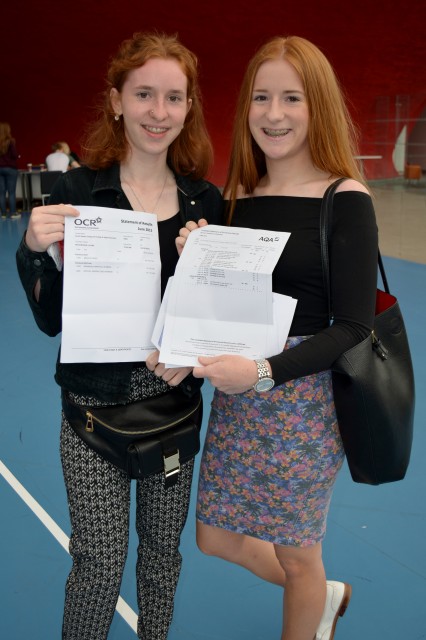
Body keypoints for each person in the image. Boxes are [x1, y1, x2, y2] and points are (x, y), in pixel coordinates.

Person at [16, 31, 222, 640]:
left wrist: (195, 343)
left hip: (174, 413)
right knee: (98, 564)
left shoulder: (204, 203)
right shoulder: (79, 194)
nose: (159, 112)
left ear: (189, 108)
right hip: (92, 417)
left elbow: (217, 323)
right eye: (144, 94)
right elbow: (52, 318)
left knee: (162, 560)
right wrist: (33, 251)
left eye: (174, 98)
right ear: (116, 101)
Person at [178, 36, 378, 640]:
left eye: (291, 98)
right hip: (241, 395)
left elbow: (353, 326)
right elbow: (233, 302)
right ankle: (323, 595)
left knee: (297, 555)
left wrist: (263, 373)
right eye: (261, 98)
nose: (273, 113)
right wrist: (200, 256)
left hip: (305, 402)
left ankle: (310, 598)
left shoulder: (345, 199)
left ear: (317, 107)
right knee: (214, 536)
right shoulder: (239, 199)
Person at [0, 122, 20, 219]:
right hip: (10, 169)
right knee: (11, 192)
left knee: (1, 192)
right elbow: (14, 155)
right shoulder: (10, 141)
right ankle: (13, 213)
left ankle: (3, 214)